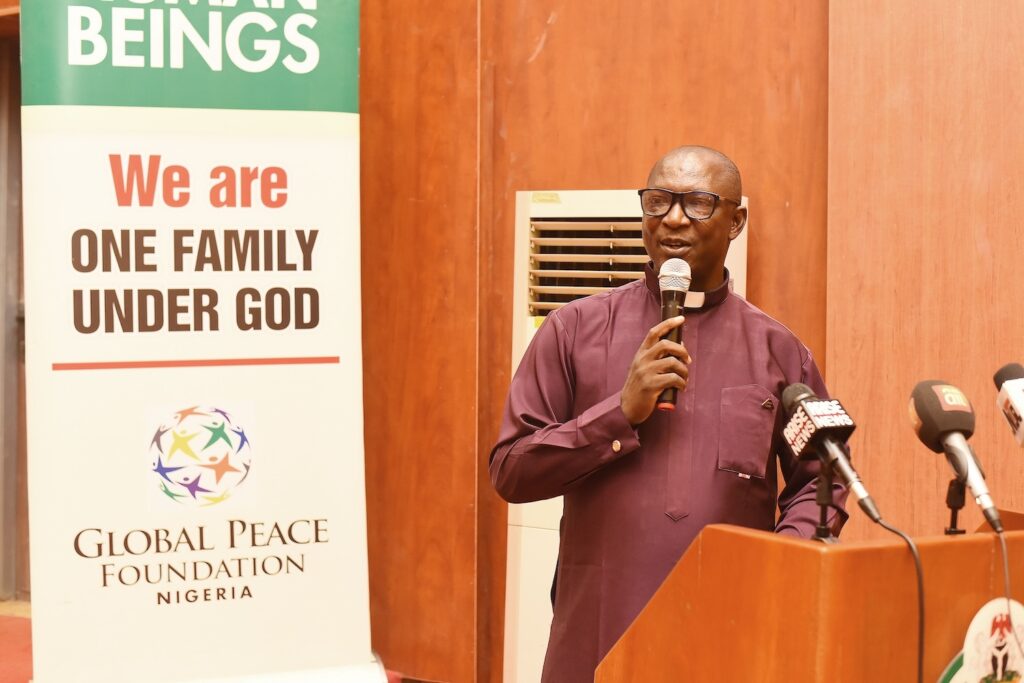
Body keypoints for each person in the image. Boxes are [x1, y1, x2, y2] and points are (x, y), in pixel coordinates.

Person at [489, 145, 848, 682]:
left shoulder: (780, 352)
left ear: (737, 221)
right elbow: (511, 469)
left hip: (729, 632)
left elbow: (824, 480)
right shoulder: (573, 330)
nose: (673, 218)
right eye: (658, 201)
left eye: (698, 203)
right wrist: (618, 413)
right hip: (600, 631)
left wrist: (779, 568)